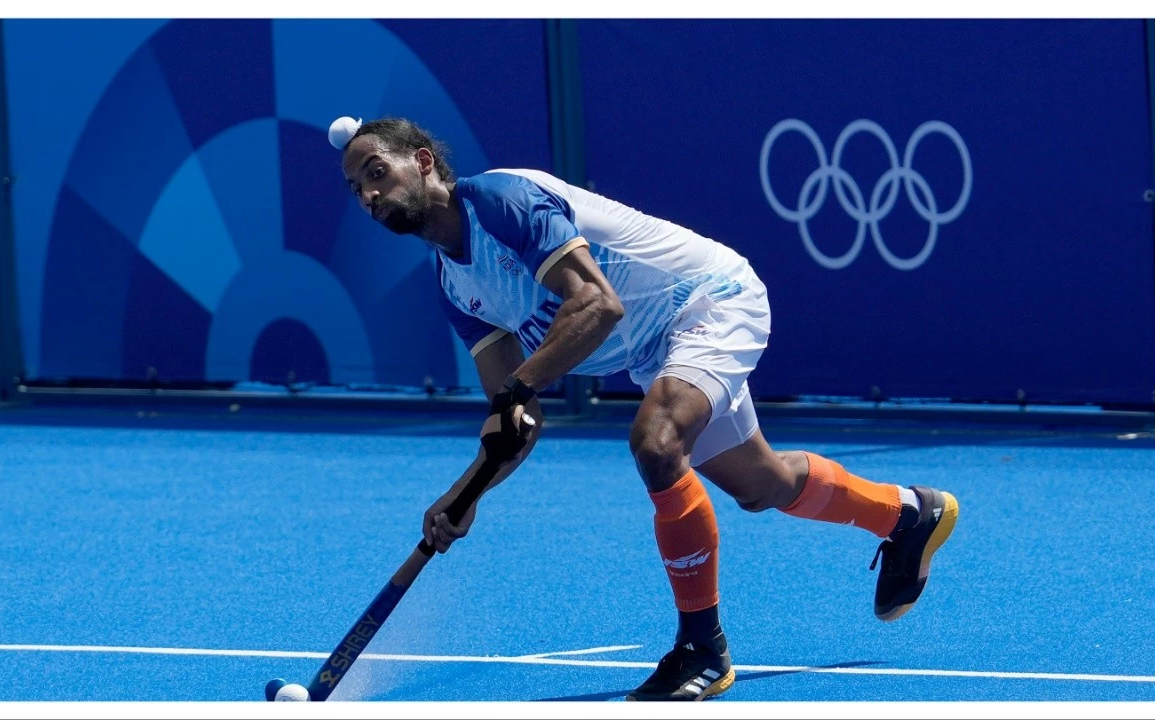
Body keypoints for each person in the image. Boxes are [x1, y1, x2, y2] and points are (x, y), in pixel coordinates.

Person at [338, 117, 960, 702]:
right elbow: (514, 423)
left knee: (657, 442)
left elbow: (596, 304)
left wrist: (516, 392)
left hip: (708, 299)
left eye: (376, 172)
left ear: (422, 162)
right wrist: (464, 494)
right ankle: (906, 515)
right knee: (759, 483)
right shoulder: (454, 286)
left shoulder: (502, 200)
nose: (368, 194)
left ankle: (702, 649)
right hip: (653, 349)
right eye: (356, 187)